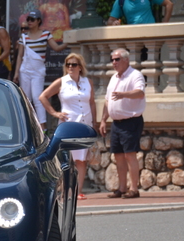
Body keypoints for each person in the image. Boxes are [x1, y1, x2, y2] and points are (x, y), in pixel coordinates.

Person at [39, 53, 97, 200]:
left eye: (74, 64)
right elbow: (43, 96)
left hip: (85, 123)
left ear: (80, 67)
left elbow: (92, 103)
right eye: (68, 64)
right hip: (69, 125)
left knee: (81, 159)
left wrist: (94, 122)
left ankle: (78, 191)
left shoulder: (87, 82)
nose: (70, 67)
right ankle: (66, 190)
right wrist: (55, 113)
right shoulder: (62, 81)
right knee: (67, 158)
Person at [99, 48, 146, 199]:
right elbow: (107, 100)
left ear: (126, 59)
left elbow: (140, 92)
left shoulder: (135, 75)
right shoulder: (114, 78)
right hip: (116, 123)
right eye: (112, 59)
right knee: (118, 156)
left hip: (131, 121)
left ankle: (134, 189)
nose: (114, 62)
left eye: (117, 59)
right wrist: (103, 120)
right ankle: (122, 188)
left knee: (130, 155)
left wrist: (123, 94)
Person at [13, 10, 68, 130]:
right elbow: (20, 56)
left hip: (38, 71)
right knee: (26, 98)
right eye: (28, 19)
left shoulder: (46, 34)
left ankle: (43, 128)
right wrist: (16, 72)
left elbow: (57, 48)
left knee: (38, 97)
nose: (30, 22)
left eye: (32, 19)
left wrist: (69, 41)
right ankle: (25, 126)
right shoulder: (24, 36)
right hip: (25, 70)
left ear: (38, 21)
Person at [107, 0, 173, 25]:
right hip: (134, 37)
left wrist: (164, 24)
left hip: (151, 35)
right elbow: (110, 20)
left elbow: (169, 4)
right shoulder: (121, 1)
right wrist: (113, 23)